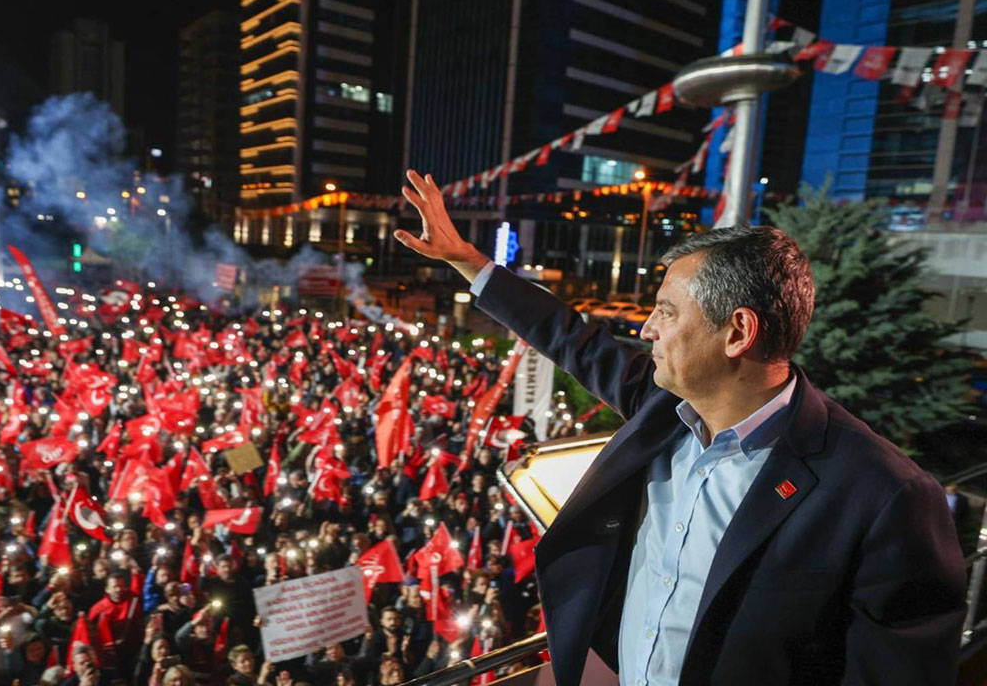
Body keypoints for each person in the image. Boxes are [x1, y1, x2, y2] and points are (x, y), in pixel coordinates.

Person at [394, 169, 966, 685]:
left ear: (737, 332)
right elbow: (572, 339)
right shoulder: (661, 408)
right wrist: (468, 262)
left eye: (666, 311)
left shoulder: (883, 495)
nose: (646, 329)